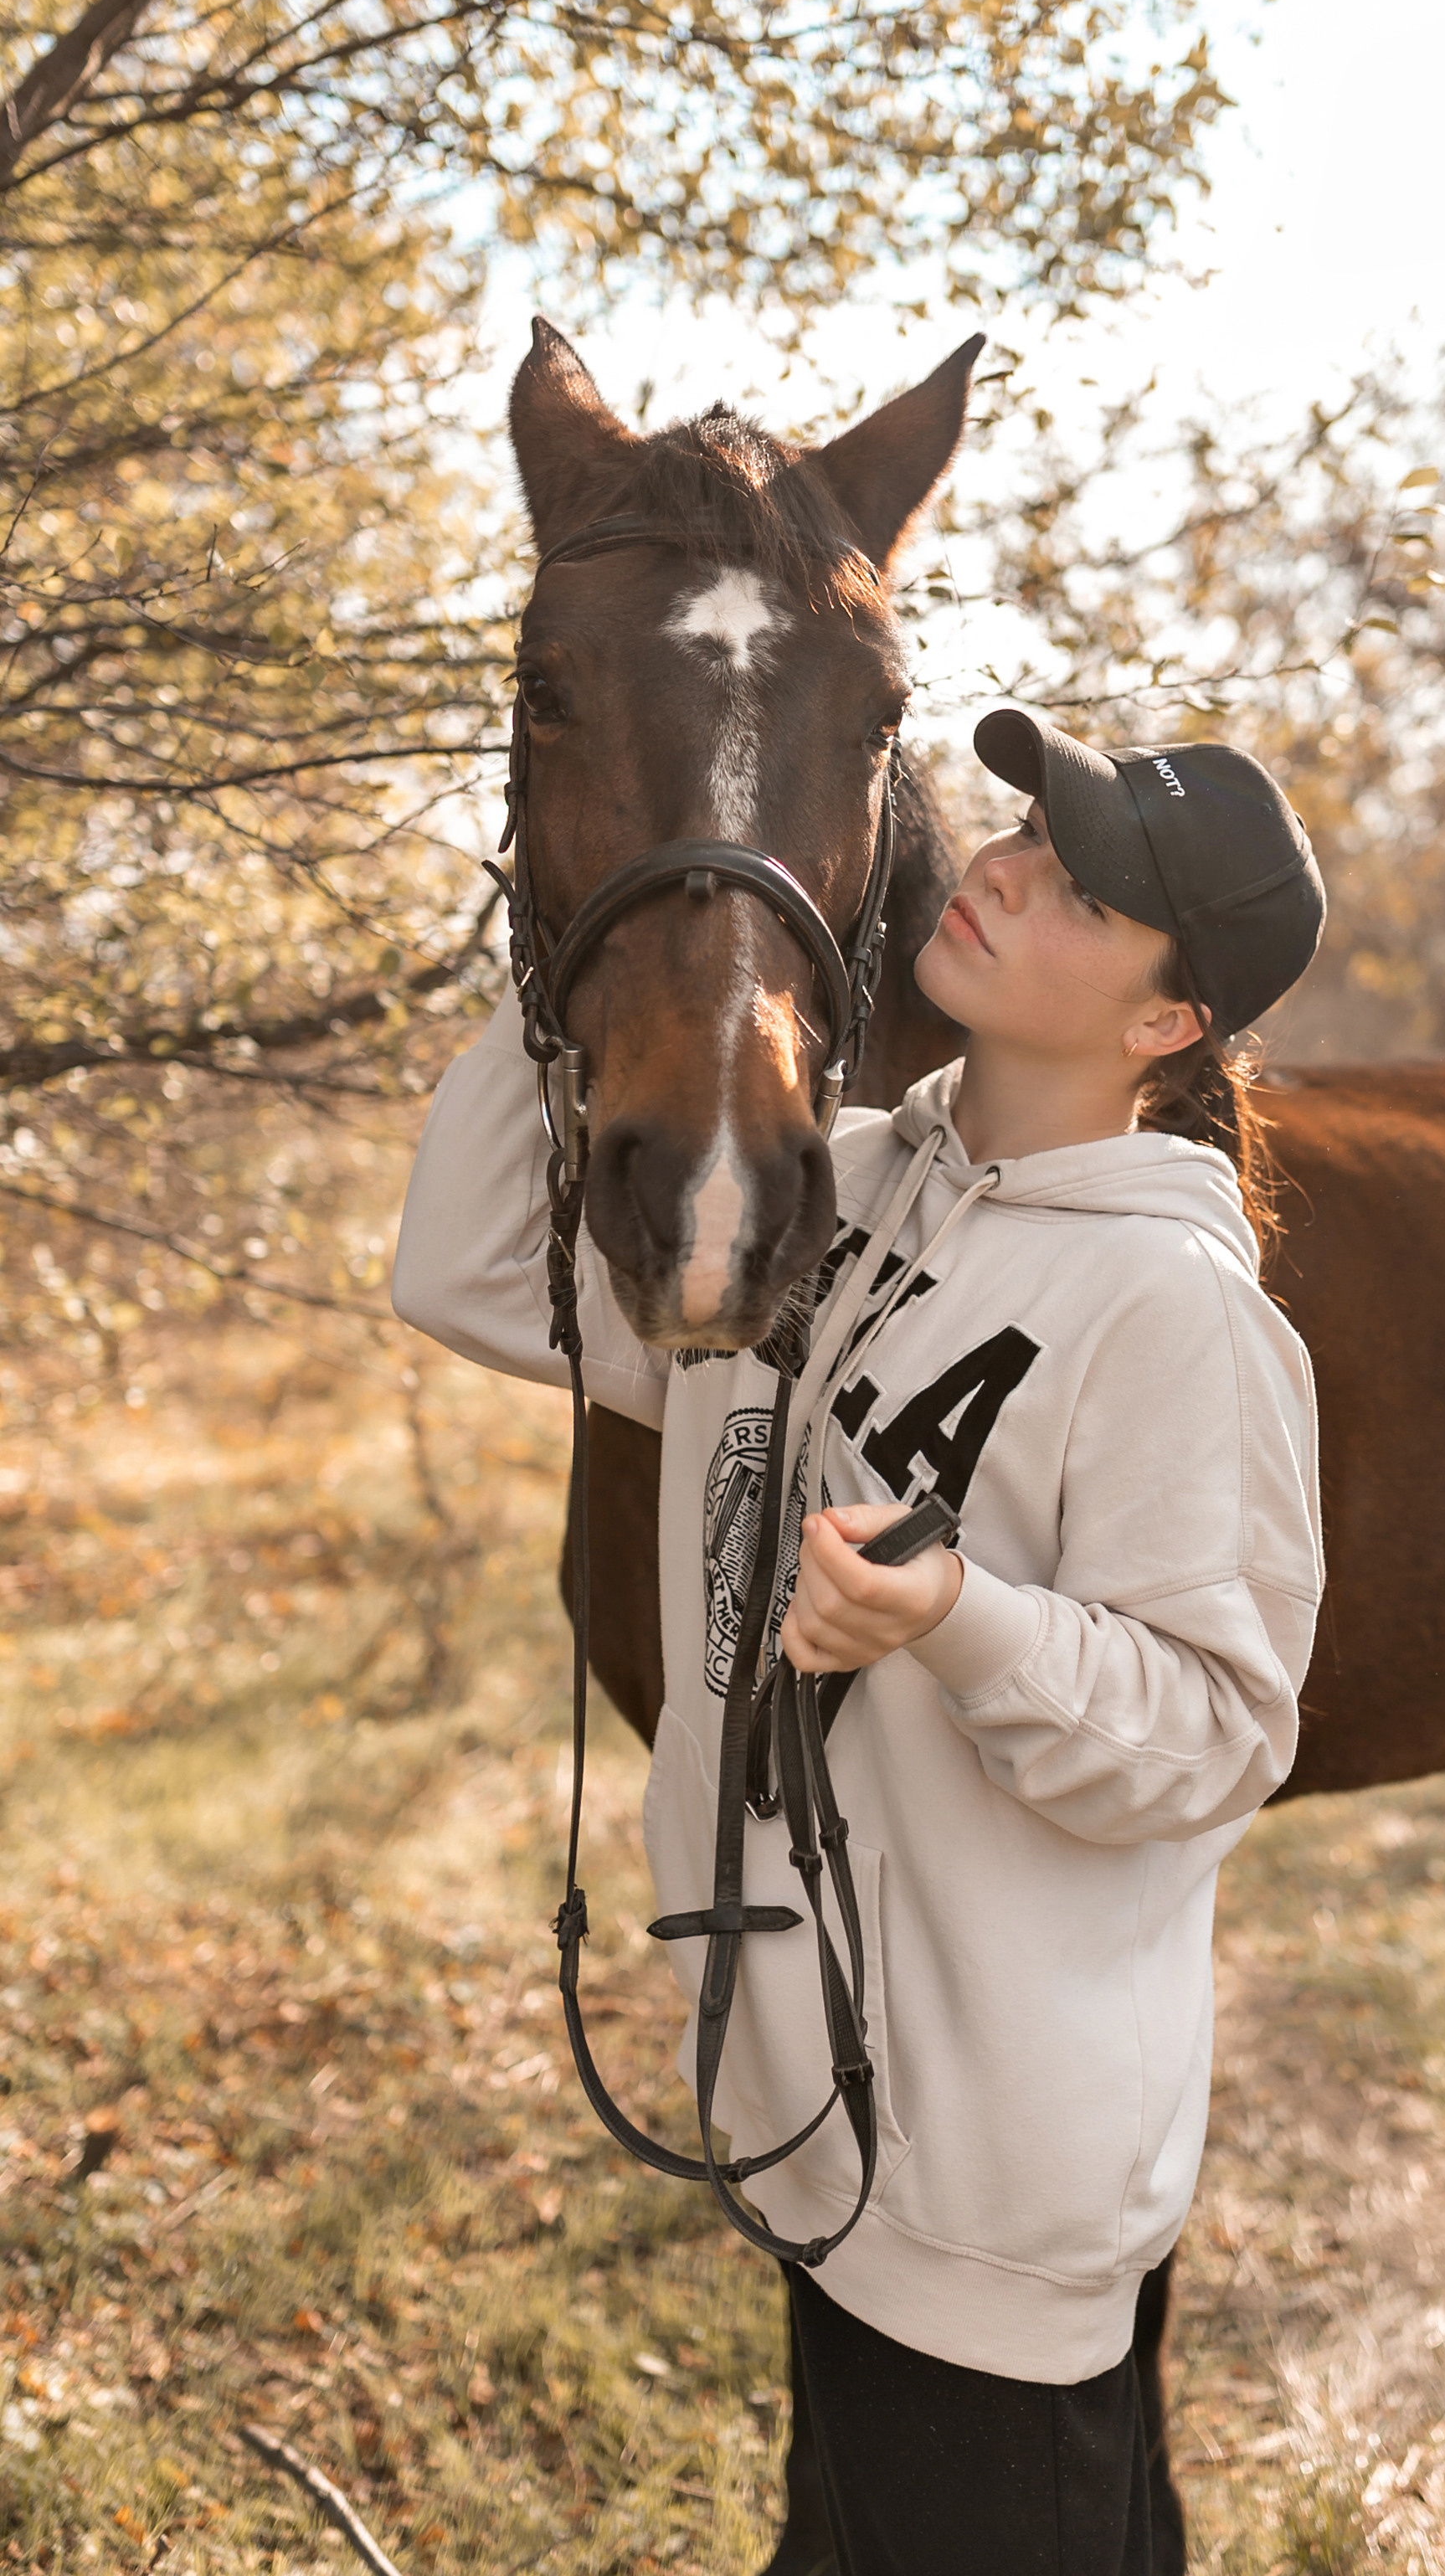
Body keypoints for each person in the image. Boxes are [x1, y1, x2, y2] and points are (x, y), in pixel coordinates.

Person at [392, 707, 1327, 2576]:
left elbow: (1219, 1736)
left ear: (1165, 1025)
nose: (998, 872)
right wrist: (594, 920)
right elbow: (477, 1273)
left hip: (993, 2162)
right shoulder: (850, 1180)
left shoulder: (1170, 1310)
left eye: (1077, 893)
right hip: (816, 2089)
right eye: (1019, 834)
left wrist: (955, 1618)